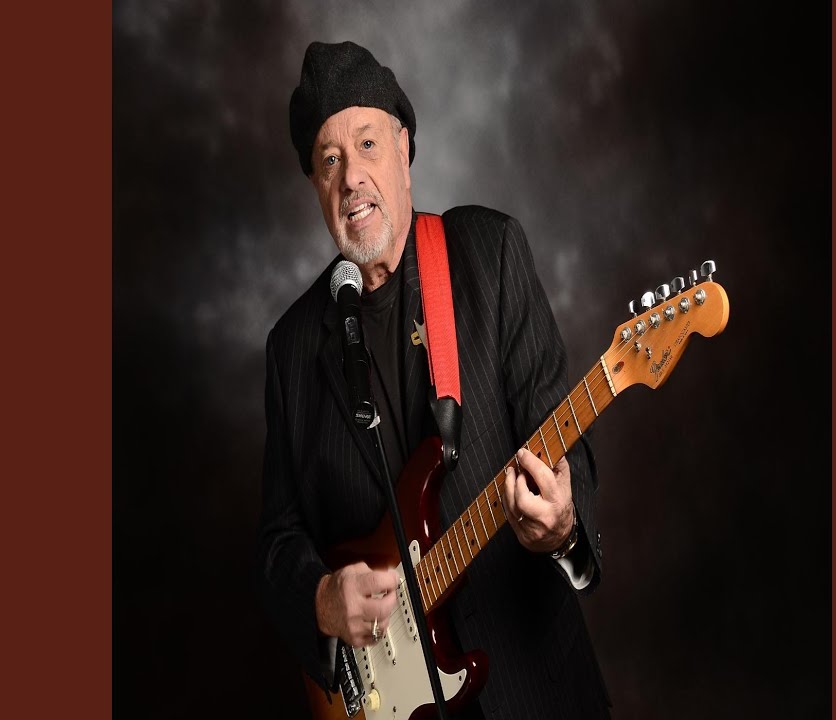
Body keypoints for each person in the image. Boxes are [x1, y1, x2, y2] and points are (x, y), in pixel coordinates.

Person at [257, 40, 611, 719]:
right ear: (316, 187)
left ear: (404, 149)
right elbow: (276, 543)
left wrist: (565, 527)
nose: (350, 177)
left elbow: (560, 443)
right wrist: (321, 600)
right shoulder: (292, 349)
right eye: (329, 160)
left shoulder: (488, 253)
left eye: (367, 144)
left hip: (534, 692)